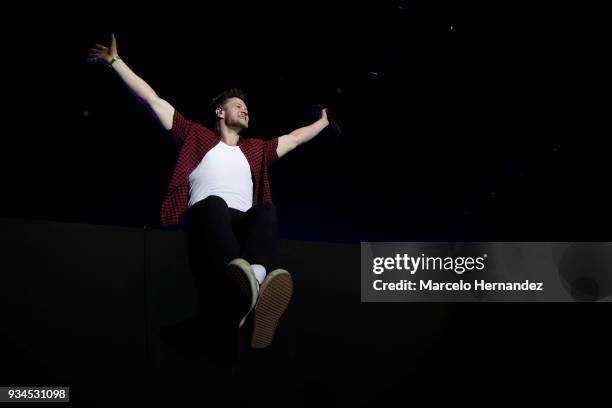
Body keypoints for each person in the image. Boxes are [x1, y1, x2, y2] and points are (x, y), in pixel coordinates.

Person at [88, 34, 331, 349]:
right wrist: (116, 63)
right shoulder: (195, 136)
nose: (245, 111)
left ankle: (250, 286)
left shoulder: (256, 150)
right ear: (220, 112)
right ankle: (244, 287)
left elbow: (294, 138)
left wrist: (323, 123)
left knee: (266, 211)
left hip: (241, 224)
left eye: (247, 108)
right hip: (206, 218)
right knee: (215, 203)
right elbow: (152, 99)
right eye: (238, 106)